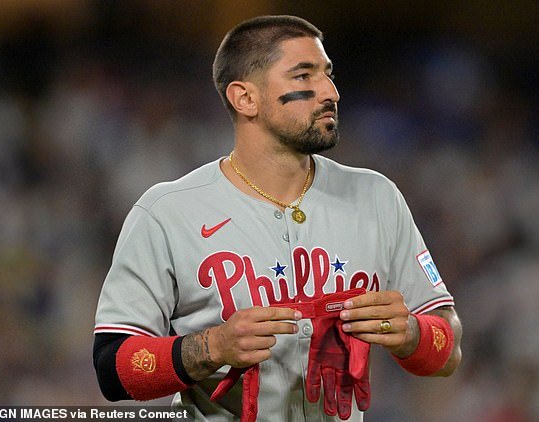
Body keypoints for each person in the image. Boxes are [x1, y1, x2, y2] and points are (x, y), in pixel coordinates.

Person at [93, 15, 462, 421]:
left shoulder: (377, 197)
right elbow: (112, 367)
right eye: (304, 76)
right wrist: (212, 347)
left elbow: (449, 347)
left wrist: (412, 333)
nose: (331, 92)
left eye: (328, 74)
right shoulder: (168, 212)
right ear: (245, 98)